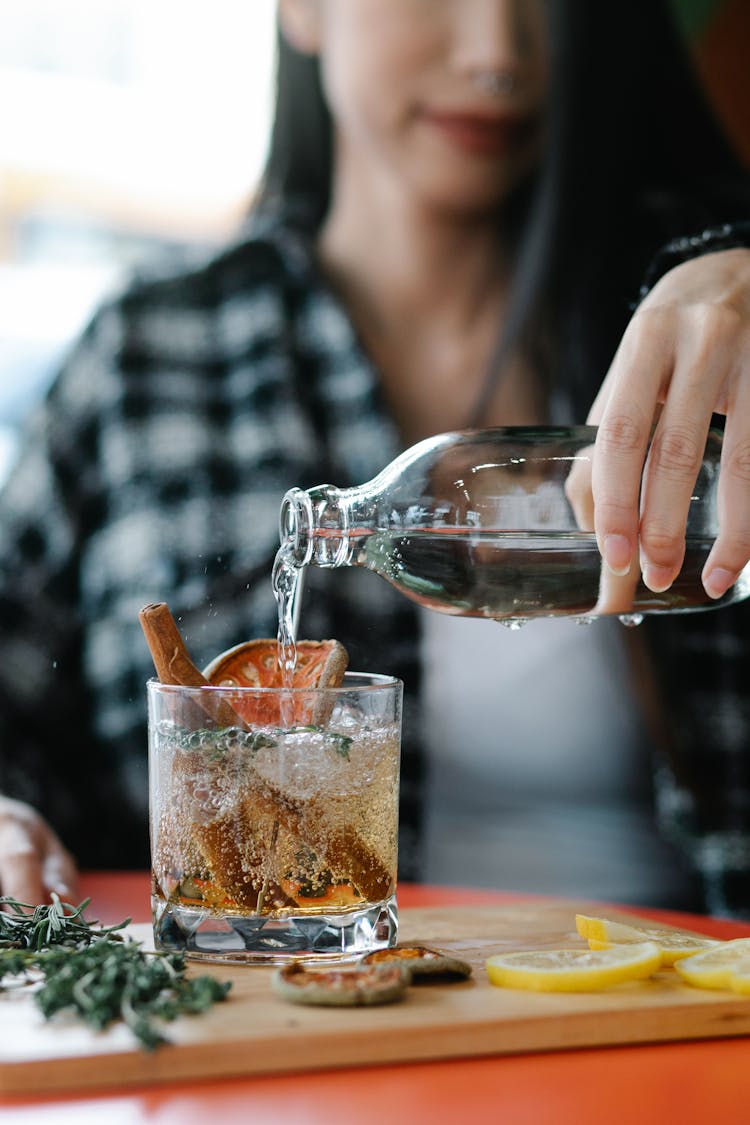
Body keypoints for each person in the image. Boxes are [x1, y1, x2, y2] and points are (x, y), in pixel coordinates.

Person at [0, 0, 749, 914]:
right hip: (287, 1027)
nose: (496, 55)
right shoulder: (148, 356)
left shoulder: (703, 338)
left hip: (671, 1011)